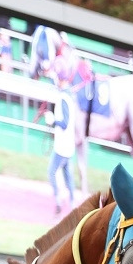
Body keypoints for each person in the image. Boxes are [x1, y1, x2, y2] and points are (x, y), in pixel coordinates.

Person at [44, 61, 76, 215]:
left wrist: (52, 121)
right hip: (68, 144)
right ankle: (72, 204)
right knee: (68, 175)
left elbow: (64, 123)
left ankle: (58, 201)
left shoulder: (64, 97)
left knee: (52, 171)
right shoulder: (69, 95)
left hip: (62, 145)